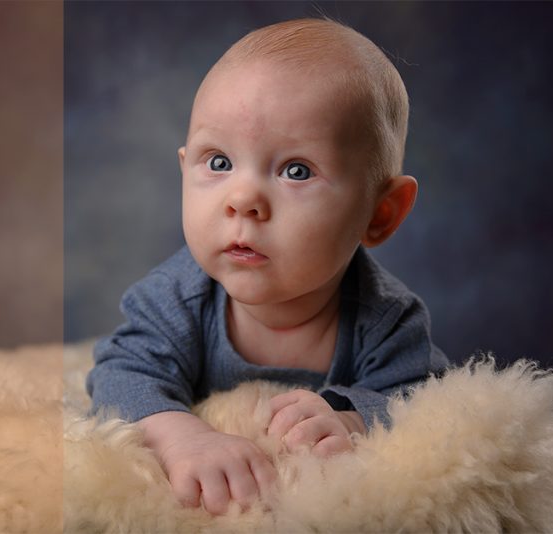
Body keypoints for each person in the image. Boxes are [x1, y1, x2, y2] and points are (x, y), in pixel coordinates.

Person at [85, 18, 450, 517]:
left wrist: (352, 418)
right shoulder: (174, 300)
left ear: (379, 212)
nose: (243, 200)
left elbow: (428, 403)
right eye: (217, 162)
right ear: (184, 168)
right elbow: (120, 376)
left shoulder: (386, 321)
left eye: (296, 170)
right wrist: (180, 437)